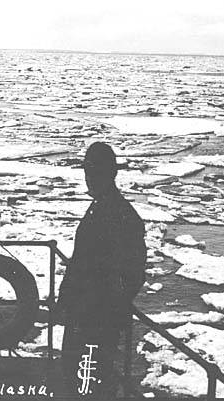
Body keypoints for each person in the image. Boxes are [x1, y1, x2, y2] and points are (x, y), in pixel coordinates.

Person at [56, 142, 147, 399]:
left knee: (93, 381)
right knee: (76, 377)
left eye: (95, 173)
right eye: (88, 172)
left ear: (111, 174)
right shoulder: (99, 207)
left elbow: (133, 273)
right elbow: (80, 261)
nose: (90, 179)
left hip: (98, 320)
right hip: (81, 315)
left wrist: (110, 307)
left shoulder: (124, 216)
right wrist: (66, 299)